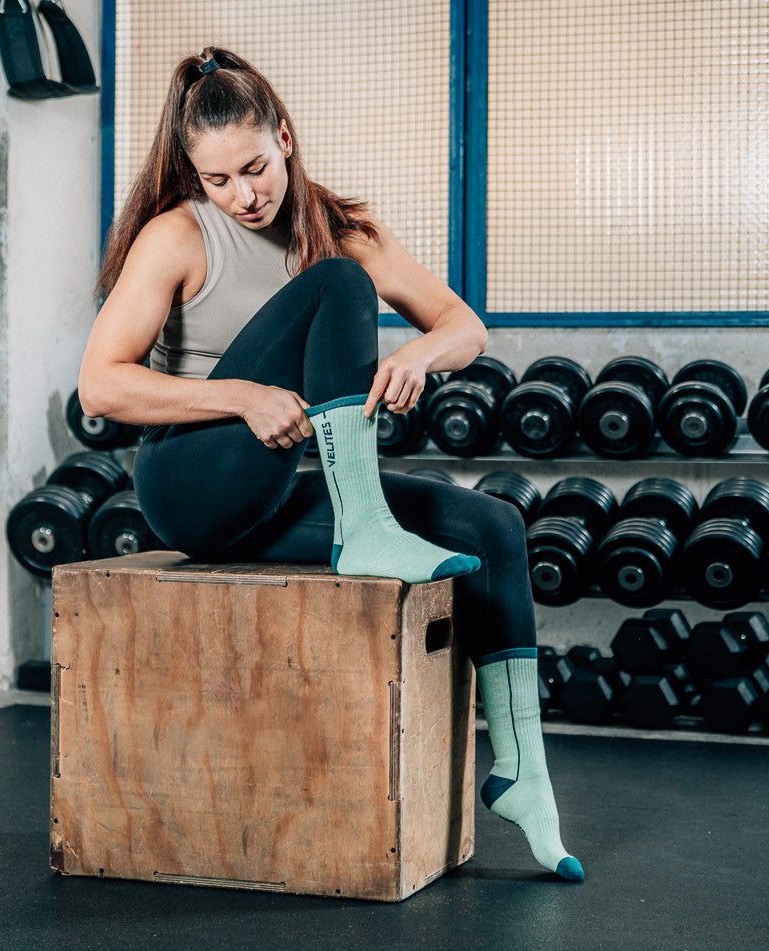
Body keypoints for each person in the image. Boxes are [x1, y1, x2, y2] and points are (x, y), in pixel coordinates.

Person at [78, 47, 583, 882]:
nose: (244, 195)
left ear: (284, 137)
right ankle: (365, 529)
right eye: (218, 180)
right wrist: (237, 394)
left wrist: (421, 355)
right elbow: (102, 383)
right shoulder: (177, 236)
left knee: (492, 525)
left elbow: (467, 326)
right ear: (194, 177)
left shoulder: (338, 224)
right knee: (340, 284)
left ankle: (525, 774)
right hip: (188, 484)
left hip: (278, 491)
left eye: (255, 168)